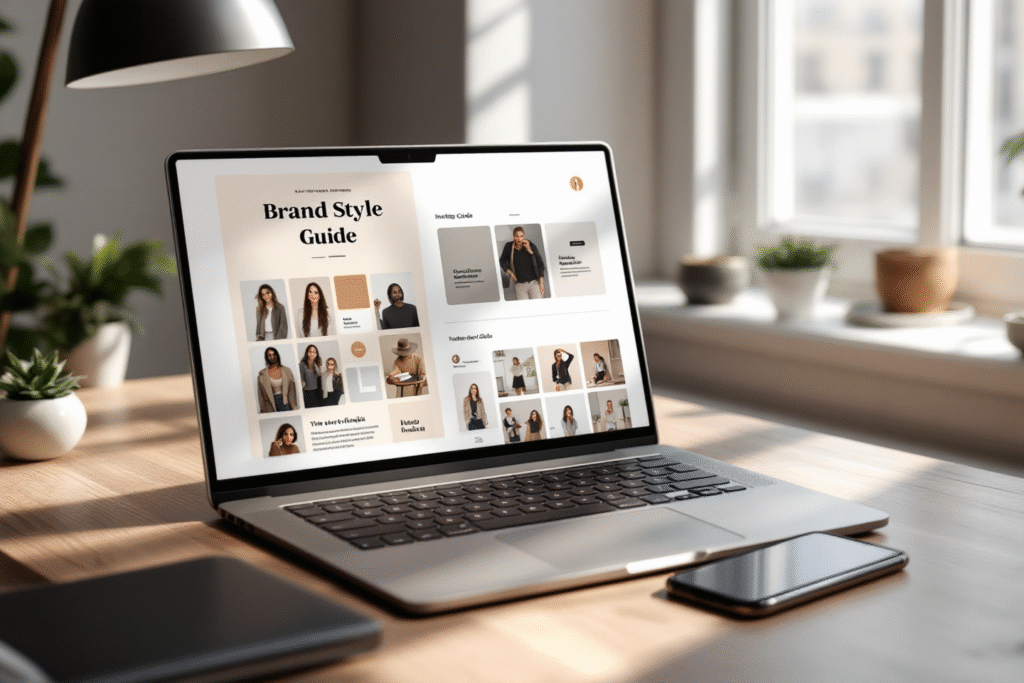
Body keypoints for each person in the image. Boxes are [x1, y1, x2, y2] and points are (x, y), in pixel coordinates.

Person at [498, 226, 546, 300]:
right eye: (517, 236)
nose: (519, 238)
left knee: (538, 307)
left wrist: (541, 283)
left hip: (534, 283)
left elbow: (541, 265)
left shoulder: (531, 245)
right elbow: (502, 260)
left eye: (521, 236)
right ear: (513, 236)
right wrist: (510, 273)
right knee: (524, 309)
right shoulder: (509, 246)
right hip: (520, 285)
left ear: (524, 236)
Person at [256, 347, 297, 413]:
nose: (272, 357)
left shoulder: (287, 371)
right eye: (269, 355)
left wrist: (294, 406)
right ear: (266, 358)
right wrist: (263, 409)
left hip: (285, 402)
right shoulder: (262, 374)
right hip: (270, 405)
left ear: (277, 355)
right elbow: (260, 396)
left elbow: (292, 391)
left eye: (274, 354)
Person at [299, 344, 323, 408]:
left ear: (316, 354)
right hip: (307, 393)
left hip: (317, 392)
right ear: (307, 353)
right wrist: (302, 384)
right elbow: (302, 377)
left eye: (314, 352)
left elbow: (319, 374)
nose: (312, 354)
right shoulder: (303, 364)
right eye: (310, 352)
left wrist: (314, 363)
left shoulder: (317, 363)